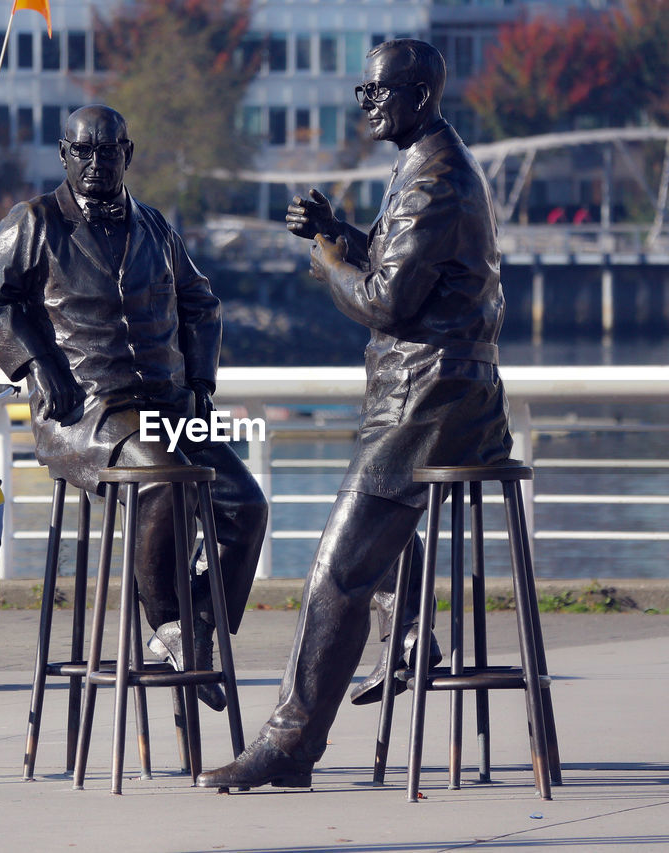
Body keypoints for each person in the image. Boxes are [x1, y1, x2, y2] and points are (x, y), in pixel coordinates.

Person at [197, 38, 513, 789]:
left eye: (376, 93)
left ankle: (290, 743)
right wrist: (341, 233)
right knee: (359, 551)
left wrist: (330, 264)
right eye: (362, 91)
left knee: (335, 570)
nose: (364, 105)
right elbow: (412, 268)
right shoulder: (429, 163)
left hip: (430, 402)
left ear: (420, 96)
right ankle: (407, 638)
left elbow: (386, 301)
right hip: (438, 395)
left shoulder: (435, 175)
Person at [0, 105, 268, 710]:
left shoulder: (155, 226)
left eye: (109, 151)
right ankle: (170, 625)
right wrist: (37, 366)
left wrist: (201, 382)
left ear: (128, 153)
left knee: (246, 506)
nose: (97, 163)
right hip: (89, 410)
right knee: (164, 483)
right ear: (64, 154)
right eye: (84, 151)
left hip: (171, 404)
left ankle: (201, 624)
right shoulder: (35, 221)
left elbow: (202, 305)